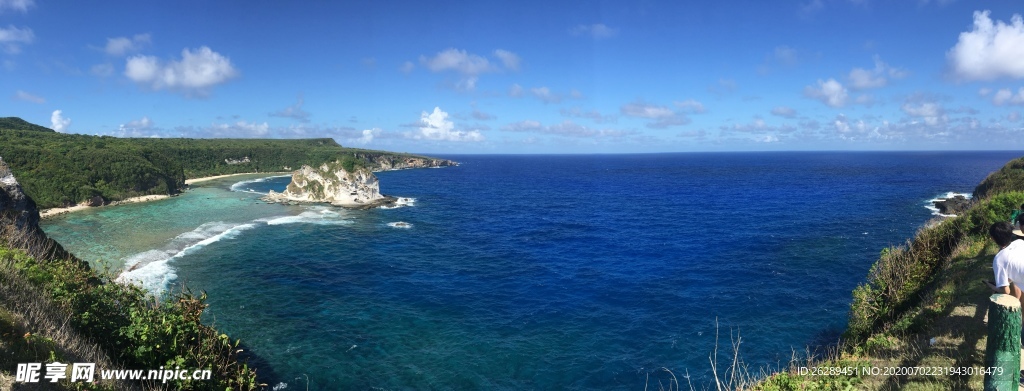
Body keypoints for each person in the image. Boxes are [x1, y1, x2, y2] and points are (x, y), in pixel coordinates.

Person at [986, 222, 1024, 299]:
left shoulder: (999, 259)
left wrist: (992, 286)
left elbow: (1006, 291)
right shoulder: (1020, 242)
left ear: (993, 238)